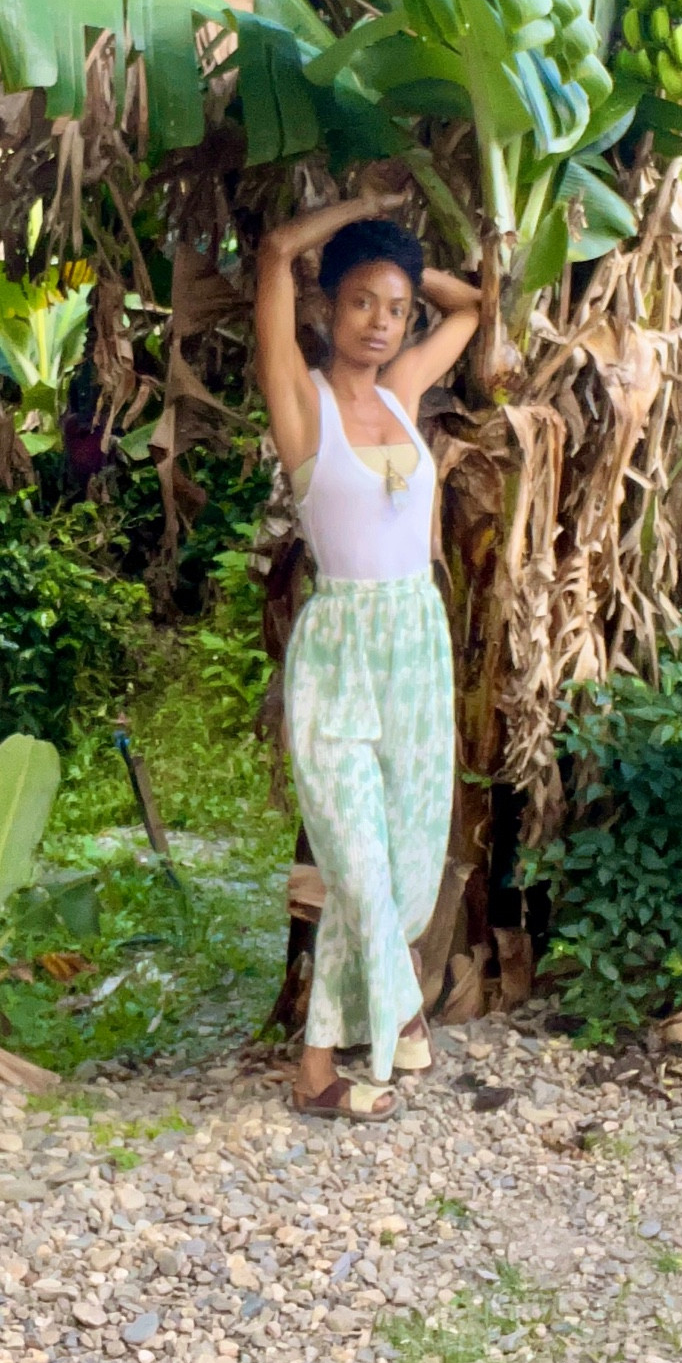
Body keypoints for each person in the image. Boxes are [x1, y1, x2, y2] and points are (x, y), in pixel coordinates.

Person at [255, 194, 481, 1122]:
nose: (381, 323)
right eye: (361, 302)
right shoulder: (302, 401)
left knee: (404, 865)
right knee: (355, 863)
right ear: (328, 309)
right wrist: (366, 220)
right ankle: (401, 1022)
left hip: (417, 650)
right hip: (342, 651)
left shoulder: (404, 390)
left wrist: (399, 257)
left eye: (394, 309)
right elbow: (273, 250)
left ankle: (319, 1069)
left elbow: (470, 306)